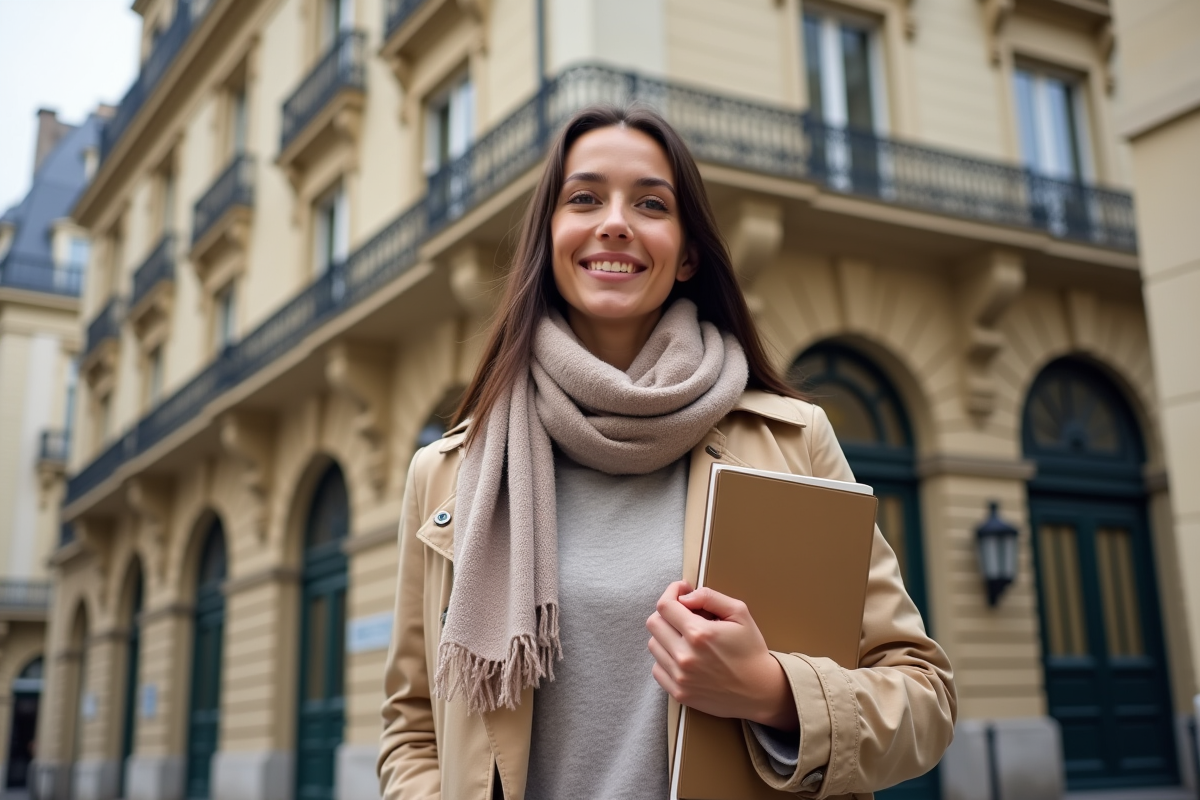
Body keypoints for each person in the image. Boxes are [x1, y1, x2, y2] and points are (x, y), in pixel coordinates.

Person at [378, 104, 956, 800]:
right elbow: (413, 729)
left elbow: (924, 698)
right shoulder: (447, 474)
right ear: (549, 240)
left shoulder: (793, 441)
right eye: (584, 198)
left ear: (687, 255)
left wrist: (773, 692)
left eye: (650, 203)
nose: (615, 222)